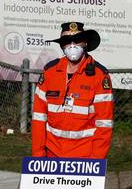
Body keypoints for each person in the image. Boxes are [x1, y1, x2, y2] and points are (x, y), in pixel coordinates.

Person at [32, 22, 114, 159]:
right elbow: (39, 119)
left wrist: (96, 161)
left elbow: (104, 123)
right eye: (66, 41)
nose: (72, 45)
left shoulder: (99, 75)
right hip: (52, 155)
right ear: (62, 45)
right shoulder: (49, 72)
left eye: (77, 40)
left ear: (86, 43)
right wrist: (38, 156)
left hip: (85, 158)